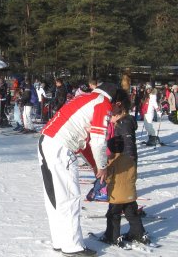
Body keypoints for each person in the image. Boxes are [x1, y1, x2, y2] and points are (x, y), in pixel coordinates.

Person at [38, 82, 118, 256]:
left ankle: (60, 240)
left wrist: (95, 165)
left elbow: (85, 142)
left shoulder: (84, 97)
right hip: (61, 147)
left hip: (47, 140)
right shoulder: (103, 103)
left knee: (54, 197)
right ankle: (72, 245)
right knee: (69, 196)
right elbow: (98, 140)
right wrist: (103, 167)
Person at [99, 89, 150, 248]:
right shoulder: (121, 122)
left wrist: (119, 165)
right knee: (129, 202)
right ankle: (137, 232)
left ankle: (112, 235)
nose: (109, 111)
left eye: (111, 107)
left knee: (115, 203)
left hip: (122, 166)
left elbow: (128, 147)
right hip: (125, 165)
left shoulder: (124, 123)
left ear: (119, 105)